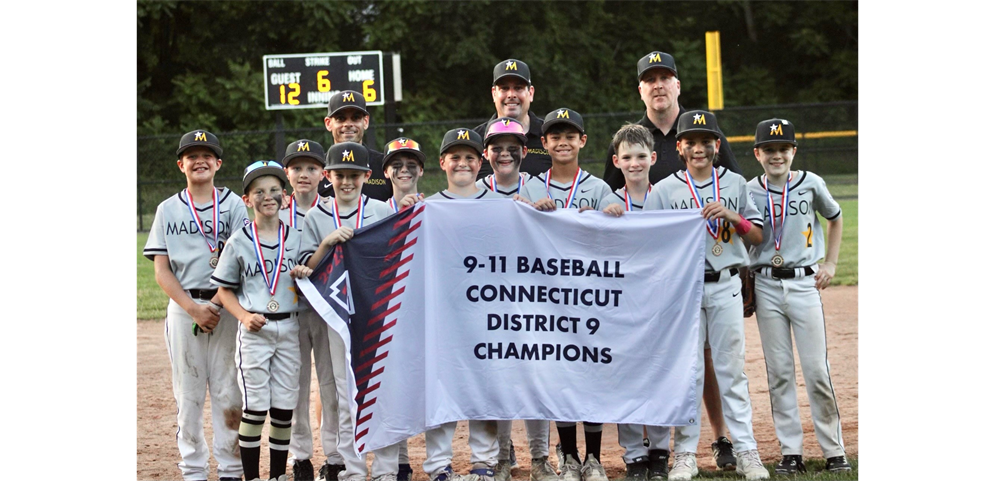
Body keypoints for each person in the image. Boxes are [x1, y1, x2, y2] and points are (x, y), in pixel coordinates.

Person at [603, 51, 740, 473]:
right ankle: (651, 442)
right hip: (649, 276)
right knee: (653, 355)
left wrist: (741, 267)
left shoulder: (701, 132)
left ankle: (719, 437)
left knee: (708, 357)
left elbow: (730, 199)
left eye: (666, 78)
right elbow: (611, 203)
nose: (658, 85)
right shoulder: (631, 138)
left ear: (677, 85)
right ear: (641, 88)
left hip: (701, 270)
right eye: (650, 79)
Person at [643, 111, 768, 481]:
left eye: (706, 141)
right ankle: (684, 453)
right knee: (690, 372)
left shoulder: (734, 182)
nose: (699, 148)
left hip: (727, 281)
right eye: (691, 142)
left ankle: (746, 450)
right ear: (679, 147)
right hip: (685, 288)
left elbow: (756, 235)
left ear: (717, 145)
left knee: (731, 370)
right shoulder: (664, 188)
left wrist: (732, 216)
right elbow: (652, 242)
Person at [746, 119, 850, 474]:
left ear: (793, 151)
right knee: (779, 372)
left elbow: (834, 217)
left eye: (783, 148)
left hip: (805, 283)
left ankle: (834, 449)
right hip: (766, 284)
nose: (777, 155)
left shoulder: (811, 183)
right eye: (769, 149)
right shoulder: (749, 190)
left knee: (817, 370)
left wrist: (832, 263)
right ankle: (791, 451)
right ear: (758, 153)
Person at [143, 129, 248, 481]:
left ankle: (231, 468)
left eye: (207, 154)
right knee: (187, 394)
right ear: (181, 164)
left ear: (219, 163)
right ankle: (193, 470)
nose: (199, 160)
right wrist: (193, 309)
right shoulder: (167, 208)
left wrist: (215, 305)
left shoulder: (234, 205)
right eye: (191, 155)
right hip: (185, 306)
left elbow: (242, 261)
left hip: (225, 307)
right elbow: (162, 270)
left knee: (228, 390)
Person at [211, 160, 313, 481]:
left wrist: (307, 272)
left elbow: (315, 273)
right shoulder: (239, 241)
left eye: (274, 190)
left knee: (284, 410)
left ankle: (278, 476)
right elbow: (224, 291)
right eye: (258, 192)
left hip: (290, 326)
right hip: (255, 329)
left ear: (286, 196)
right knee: (255, 408)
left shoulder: (297, 238)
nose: (267, 197)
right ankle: (253, 477)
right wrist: (243, 315)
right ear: (247, 199)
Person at [302, 142, 398, 481]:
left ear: (367, 176)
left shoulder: (383, 211)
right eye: (340, 175)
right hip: (338, 314)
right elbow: (305, 269)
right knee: (345, 392)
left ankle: (386, 468)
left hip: (376, 311)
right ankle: (354, 468)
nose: (347, 182)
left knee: (381, 389)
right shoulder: (316, 216)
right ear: (327, 177)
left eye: (354, 176)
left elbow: (396, 259)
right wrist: (327, 242)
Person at [471, 117, 559, 481]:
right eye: (496, 147)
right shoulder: (475, 192)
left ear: (525, 151)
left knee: (535, 373)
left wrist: (547, 213)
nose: (504, 153)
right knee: (500, 377)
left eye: (512, 147)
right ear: (485, 154)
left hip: (535, 295)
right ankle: (503, 456)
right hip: (491, 297)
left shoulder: (541, 188)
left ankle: (539, 456)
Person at [527, 107, 610, 481]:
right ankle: (570, 457)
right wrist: (529, 210)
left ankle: (594, 458)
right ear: (543, 143)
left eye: (570, 135)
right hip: (548, 300)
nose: (563, 142)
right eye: (555, 136)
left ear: (582, 141)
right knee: (559, 374)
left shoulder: (598, 188)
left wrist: (615, 213)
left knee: (591, 374)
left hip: (590, 296)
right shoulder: (531, 187)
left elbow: (616, 235)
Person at [421, 128, 502, 481]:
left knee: (483, 388)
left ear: (481, 162)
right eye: (455, 157)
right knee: (441, 388)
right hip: (443, 313)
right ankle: (439, 465)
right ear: (443, 163)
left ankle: (484, 462)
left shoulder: (499, 206)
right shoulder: (428, 208)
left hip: (486, 312)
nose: (463, 163)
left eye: (470, 157)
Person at [277, 139, 345, 481]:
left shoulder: (336, 208)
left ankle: (335, 456)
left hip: (328, 308)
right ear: (286, 172)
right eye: (297, 167)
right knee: (295, 384)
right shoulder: (274, 210)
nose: (304, 174)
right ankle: (300, 456)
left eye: (312, 167)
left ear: (324, 174)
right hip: (290, 308)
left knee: (331, 383)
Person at [474, 59, 552, 180]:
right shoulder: (475, 140)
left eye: (518, 88)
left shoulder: (550, 137)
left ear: (530, 93)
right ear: (494, 94)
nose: (511, 95)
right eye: (504, 88)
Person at [318, 90, 393, 202]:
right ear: (328, 123)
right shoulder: (316, 168)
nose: (348, 124)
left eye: (355, 118)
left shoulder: (385, 165)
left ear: (366, 121)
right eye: (341, 118)